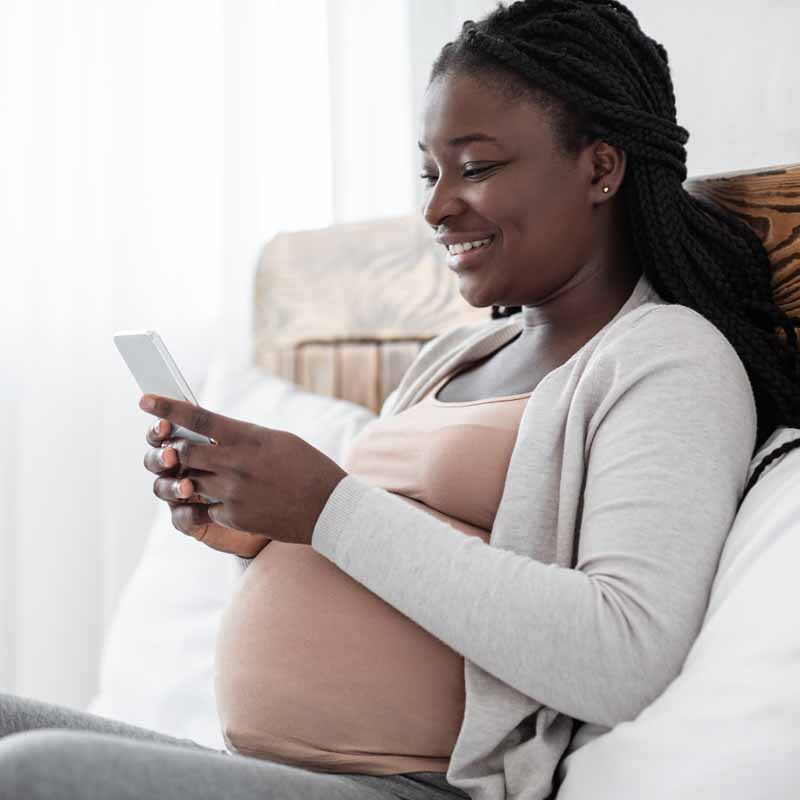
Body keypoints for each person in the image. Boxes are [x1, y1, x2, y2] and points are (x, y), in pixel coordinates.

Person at [2, 1, 798, 798]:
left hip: (417, 787)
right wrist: (256, 528)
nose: (436, 207)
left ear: (600, 168)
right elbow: (380, 549)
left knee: (35, 775)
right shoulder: (459, 353)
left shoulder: (668, 358)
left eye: (476, 167)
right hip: (273, 768)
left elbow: (622, 655)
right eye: (430, 172)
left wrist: (327, 508)